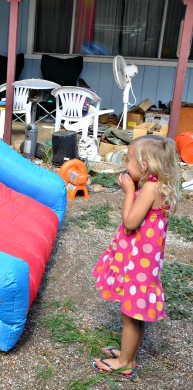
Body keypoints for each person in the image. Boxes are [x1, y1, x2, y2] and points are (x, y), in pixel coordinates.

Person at [90, 135, 180, 379]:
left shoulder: (149, 188)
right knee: (135, 314)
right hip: (144, 265)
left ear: (146, 166)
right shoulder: (159, 186)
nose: (125, 164)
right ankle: (128, 354)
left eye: (129, 160)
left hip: (139, 265)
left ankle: (125, 363)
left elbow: (130, 222)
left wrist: (129, 192)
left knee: (130, 316)